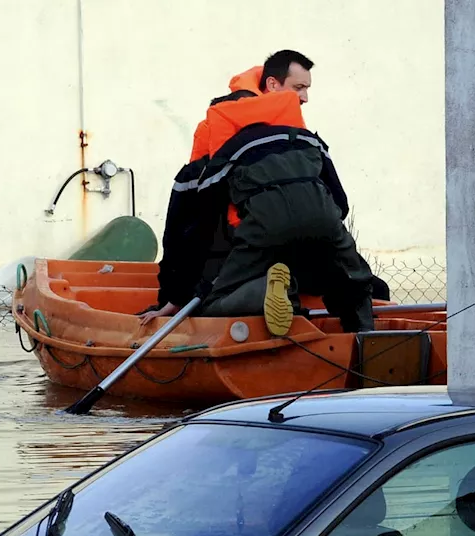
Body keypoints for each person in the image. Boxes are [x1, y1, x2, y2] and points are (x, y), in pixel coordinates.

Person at [141, 50, 380, 330]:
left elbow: (190, 224)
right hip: (313, 239)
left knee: (209, 303)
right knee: (362, 285)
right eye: (298, 88)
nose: (304, 98)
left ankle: (269, 293)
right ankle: (364, 344)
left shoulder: (226, 138)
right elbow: (340, 203)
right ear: (272, 86)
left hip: (253, 242)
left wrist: (173, 296)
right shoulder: (305, 139)